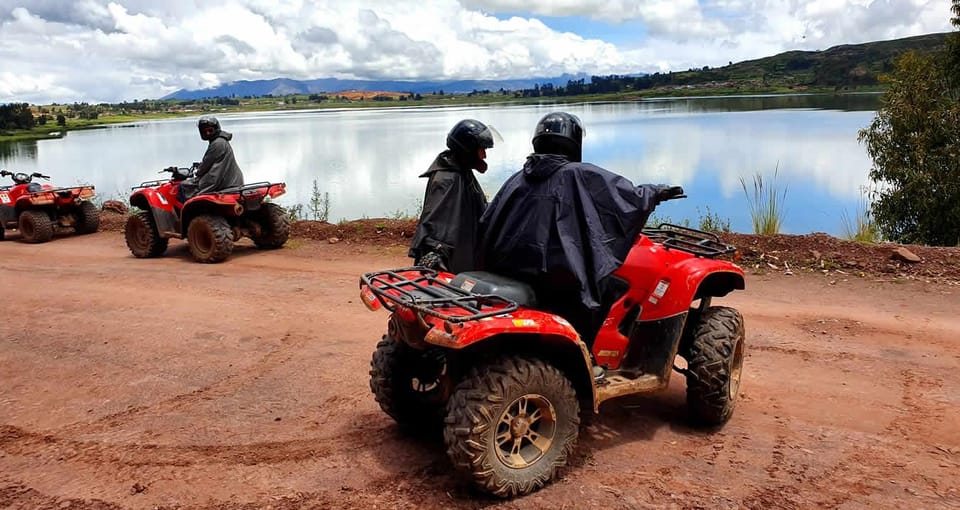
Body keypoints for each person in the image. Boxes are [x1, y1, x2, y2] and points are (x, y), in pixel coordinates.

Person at [478, 111, 682, 343]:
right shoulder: (577, 174)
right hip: (555, 278)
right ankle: (589, 349)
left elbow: (488, 220)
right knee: (610, 287)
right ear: (573, 141)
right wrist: (656, 192)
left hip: (513, 269)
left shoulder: (517, 178)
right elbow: (624, 195)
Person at [408, 118, 496, 273]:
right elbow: (436, 221)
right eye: (481, 150)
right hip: (451, 264)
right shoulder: (448, 179)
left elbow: (476, 207)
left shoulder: (461, 172)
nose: (484, 156)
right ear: (467, 150)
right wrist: (435, 252)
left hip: (465, 253)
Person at [178, 116, 244, 202]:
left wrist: (198, 171)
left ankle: (186, 212)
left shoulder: (217, 143)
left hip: (221, 181)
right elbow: (213, 160)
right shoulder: (222, 141)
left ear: (216, 129)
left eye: (210, 130)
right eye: (205, 132)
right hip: (231, 179)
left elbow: (204, 166)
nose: (208, 133)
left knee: (183, 186)